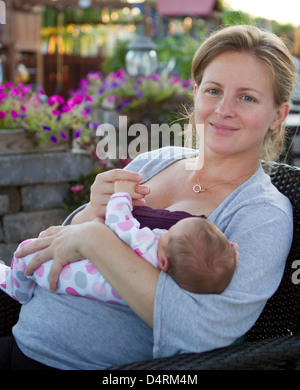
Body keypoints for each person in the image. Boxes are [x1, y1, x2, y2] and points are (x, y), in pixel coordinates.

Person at [0, 25, 297, 370]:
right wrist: (89, 213)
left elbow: (204, 331)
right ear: (197, 94)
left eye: (247, 97)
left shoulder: (263, 212)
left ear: (277, 115)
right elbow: (60, 245)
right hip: (20, 336)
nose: (223, 109)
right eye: (213, 90)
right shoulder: (159, 159)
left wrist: (96, 239)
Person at [0, 180, 239, 304]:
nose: (160, 232)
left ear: (164, 262)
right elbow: (206, 261)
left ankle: (14, 287)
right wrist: (226, 256)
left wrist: (122, 194)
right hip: (90, 287)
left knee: (26, 254)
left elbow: (118, 221)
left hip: (64, 278)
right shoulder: (183, 273)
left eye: (167, 234)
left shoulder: (149, 247)